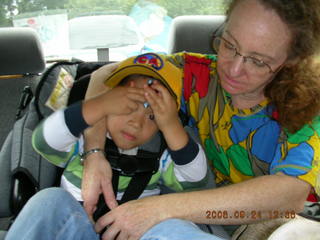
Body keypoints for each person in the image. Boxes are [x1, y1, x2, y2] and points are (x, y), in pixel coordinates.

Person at [5, 0, 320, 239]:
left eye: (257, 60)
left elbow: (287, 196)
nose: (233, 69)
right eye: (229, 44)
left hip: (258, 223)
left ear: (292, 60)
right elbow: (105, 74)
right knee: (49, 203)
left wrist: (158, 209)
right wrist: (94, 151)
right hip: (189, 213)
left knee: (166, 230)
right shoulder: (195, 73)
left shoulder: (309, 108)